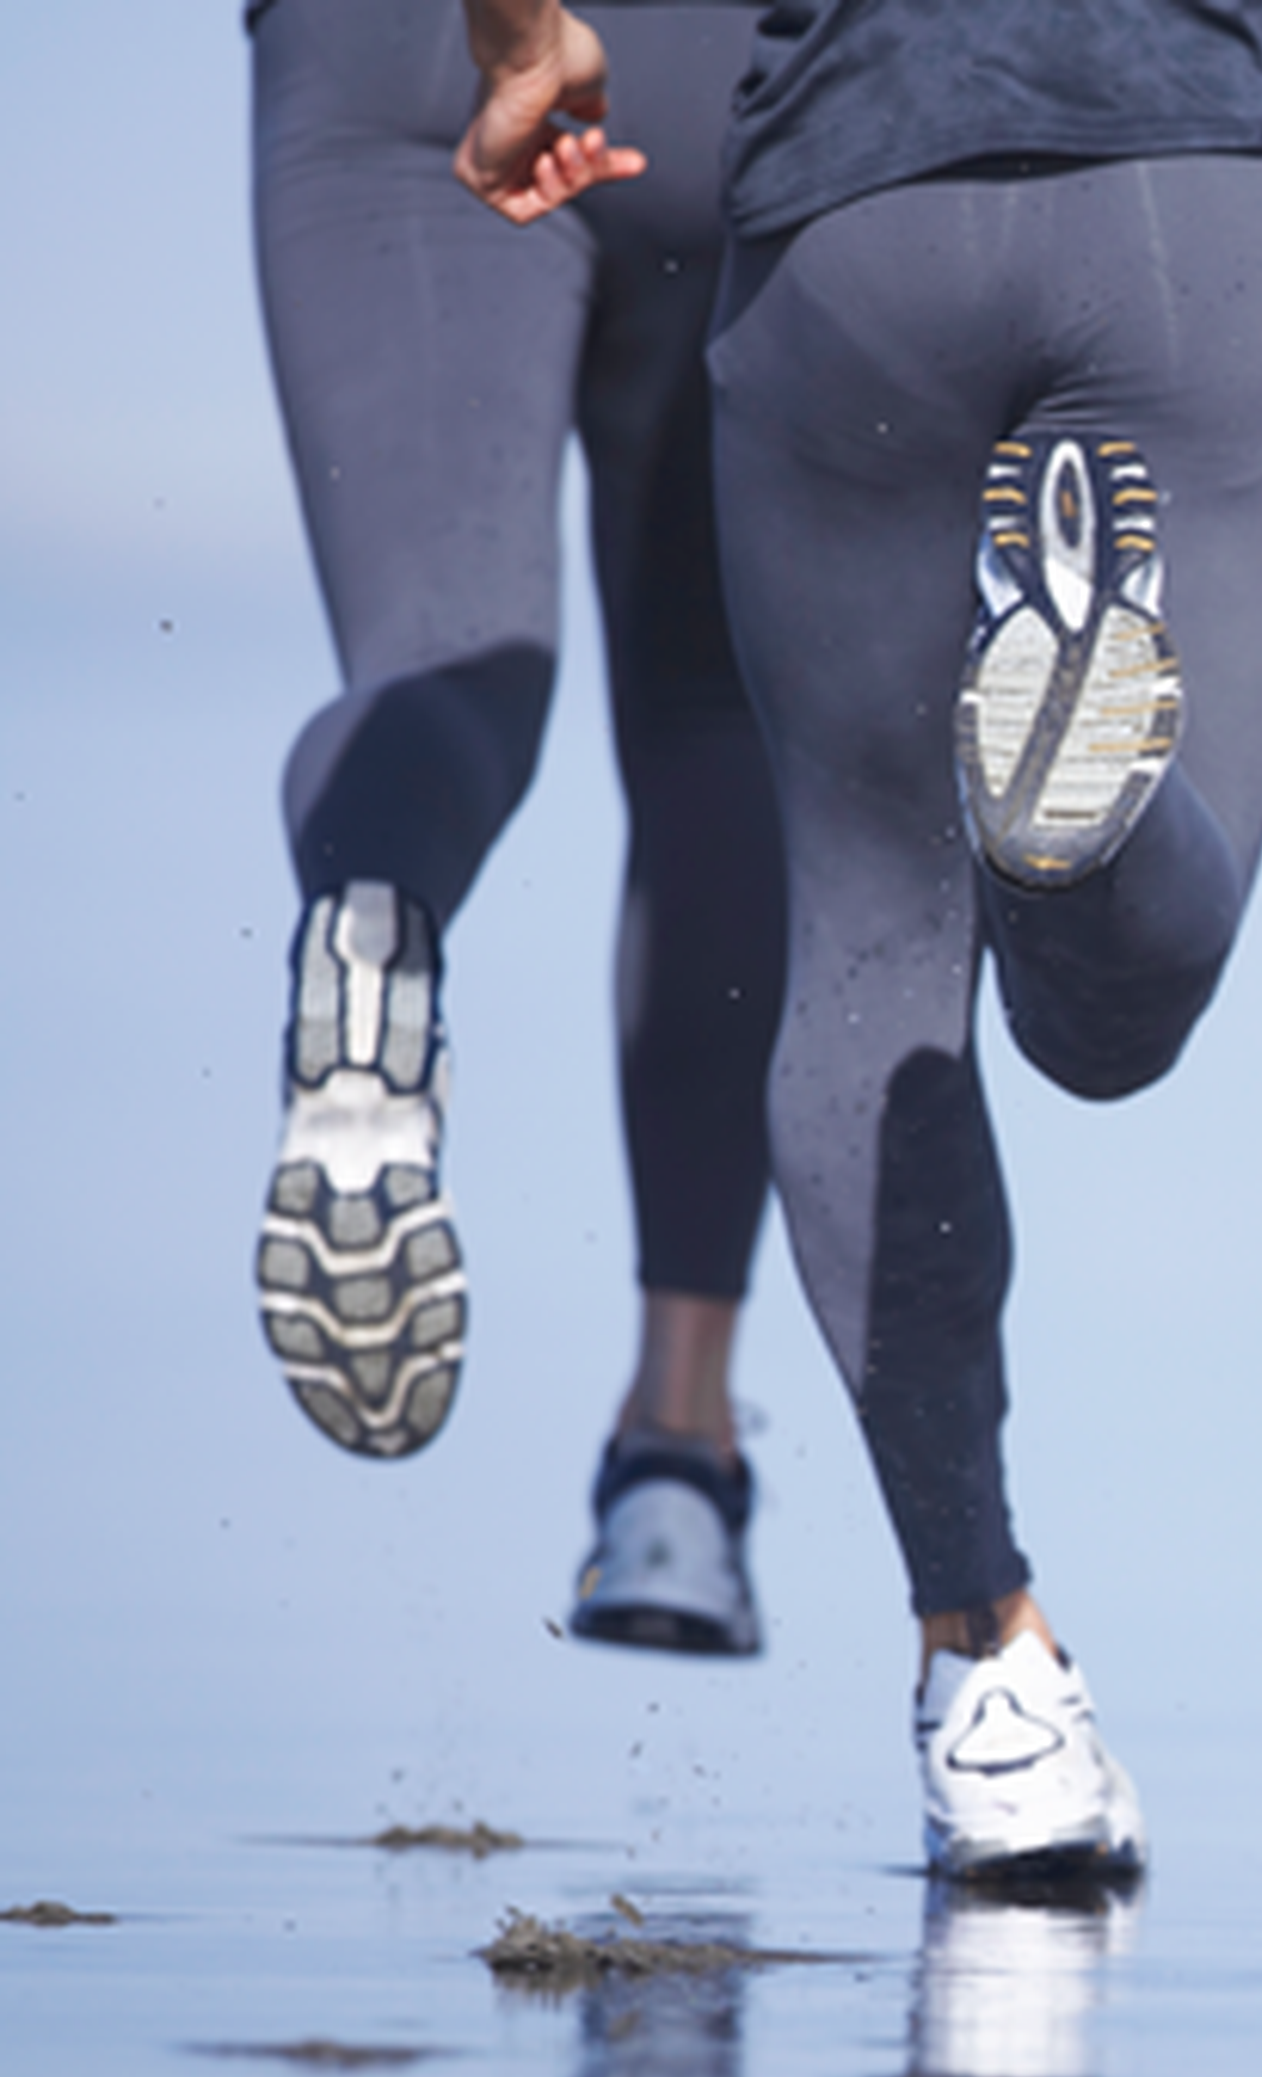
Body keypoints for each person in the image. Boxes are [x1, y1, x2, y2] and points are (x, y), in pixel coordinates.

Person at [453, 0, 1262, 1876]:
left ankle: (982, 1662)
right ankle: (1083, 825)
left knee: (871, 936)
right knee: (1114, 1016)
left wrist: (517, 40)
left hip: (851, 196)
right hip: (1219, 164)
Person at [250, 0, 783, 1657]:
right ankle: (677, 1462)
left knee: (440, 654)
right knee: (714, 720)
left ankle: (374, 914)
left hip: (387, 56)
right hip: (713, 72)